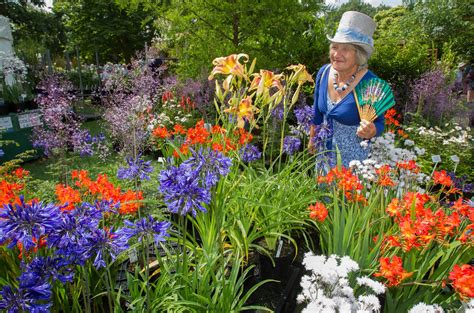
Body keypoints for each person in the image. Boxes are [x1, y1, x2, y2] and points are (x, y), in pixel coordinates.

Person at [308, 11, 388, 170]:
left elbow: (379, 123)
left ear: (358, 55)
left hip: (353, 161)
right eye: (334, 47)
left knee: (347, 195)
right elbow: (317, 112)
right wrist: (312, 138)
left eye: (345, 49)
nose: (336, 54)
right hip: (324, 156)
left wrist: (372, 130)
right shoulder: (324, 73)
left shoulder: (370, 83)